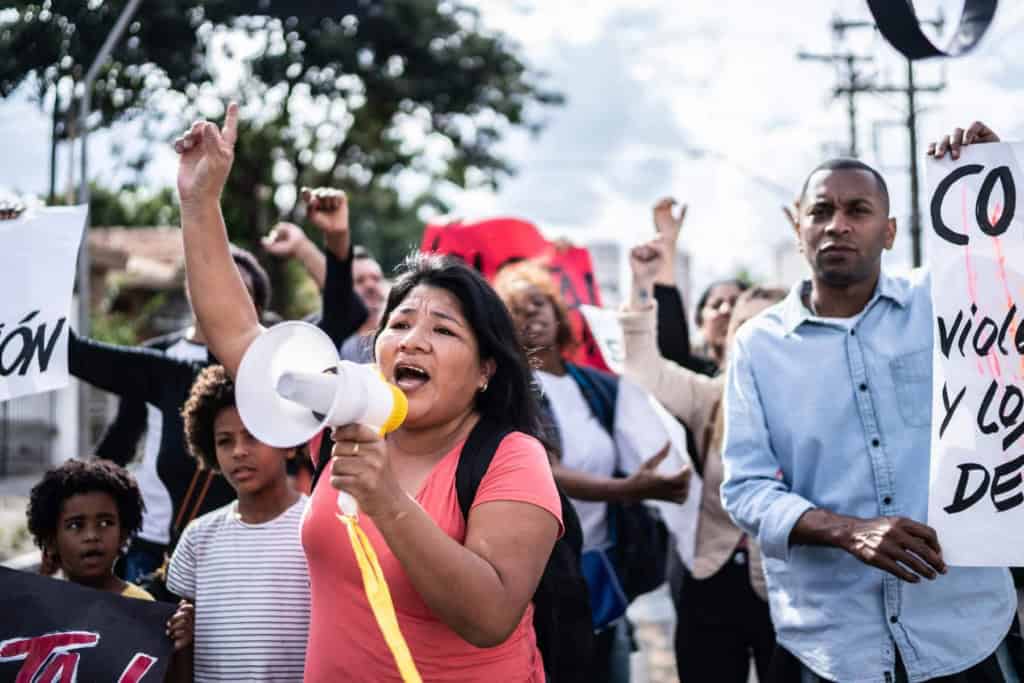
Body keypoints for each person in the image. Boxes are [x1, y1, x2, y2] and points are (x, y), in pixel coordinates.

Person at [173, 103, 566, 681]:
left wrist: (386, 501)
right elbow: (238, 335)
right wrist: (199, 202)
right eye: (400, 325)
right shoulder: (346, 413)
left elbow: (490, 617)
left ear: (486, 369)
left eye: (444, 330)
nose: (413, 342)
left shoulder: (511, 458)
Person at [721, 121, 1020, 683]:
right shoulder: (758, 345)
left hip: (963, 627)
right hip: (832, 643)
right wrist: (846, 529)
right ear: (798, 227)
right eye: (820, 211)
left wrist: (993, 174)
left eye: (857, 210)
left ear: (889, 230)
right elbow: (745, 488)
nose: (837, 225)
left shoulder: (948, 305)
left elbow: (1012, 278)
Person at [66, 197, 366, 583]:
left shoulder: (278, 373)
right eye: (224, 439)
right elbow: (76, 360)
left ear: (255, 314)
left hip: (260, 555)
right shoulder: (165, 368)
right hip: (162, 552)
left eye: (237, 294)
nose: (238, 452)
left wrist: (330, 240)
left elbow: (345, 315)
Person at [494, 259, 691, 683]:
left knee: (612, 667)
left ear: (558, 312)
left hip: (604, 562)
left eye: (538, 303)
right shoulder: (511, 390)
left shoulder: (596, 385)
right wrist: (629, 489)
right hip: (544, 573)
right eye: (517, 308)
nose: (531, 314)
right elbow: (545, 470)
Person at [621, 236, 784, 683]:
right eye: (746, 328)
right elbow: (643, 363)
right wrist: (641, 282)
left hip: (789, 588)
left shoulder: (823, 404)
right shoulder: (710, 398)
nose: (759, 340)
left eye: (772, 326)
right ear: (731, 341)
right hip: (708, 580)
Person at [94, 245, 272, 583]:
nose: (221, 296)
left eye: (238, 290)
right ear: (193, 288)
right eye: (211, 283)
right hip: (150, 536)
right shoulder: (158, 357)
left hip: (227, 537)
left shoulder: (258, 367)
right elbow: (122, 437)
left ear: (256, 306)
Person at [165, 365, 310, 682]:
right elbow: (184, 642)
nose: (239, 452)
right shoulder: (199, 537)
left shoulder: (316, 528)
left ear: (287, 440)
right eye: (225, 441)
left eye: (253, 435)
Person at [26, 459, 194, 677]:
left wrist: (181, 648)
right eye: (75, 525)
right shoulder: (37, 609)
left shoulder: (140, 607)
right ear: (51, 540)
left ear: (123, 533)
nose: (92, 536)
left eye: (105, 523)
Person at [263, 189, 388, 363]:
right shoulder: (316, 333)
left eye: (376, 278)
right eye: (359, 280)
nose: (370, 286)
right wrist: (305, 247)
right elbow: (342, 297)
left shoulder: (403, 335)